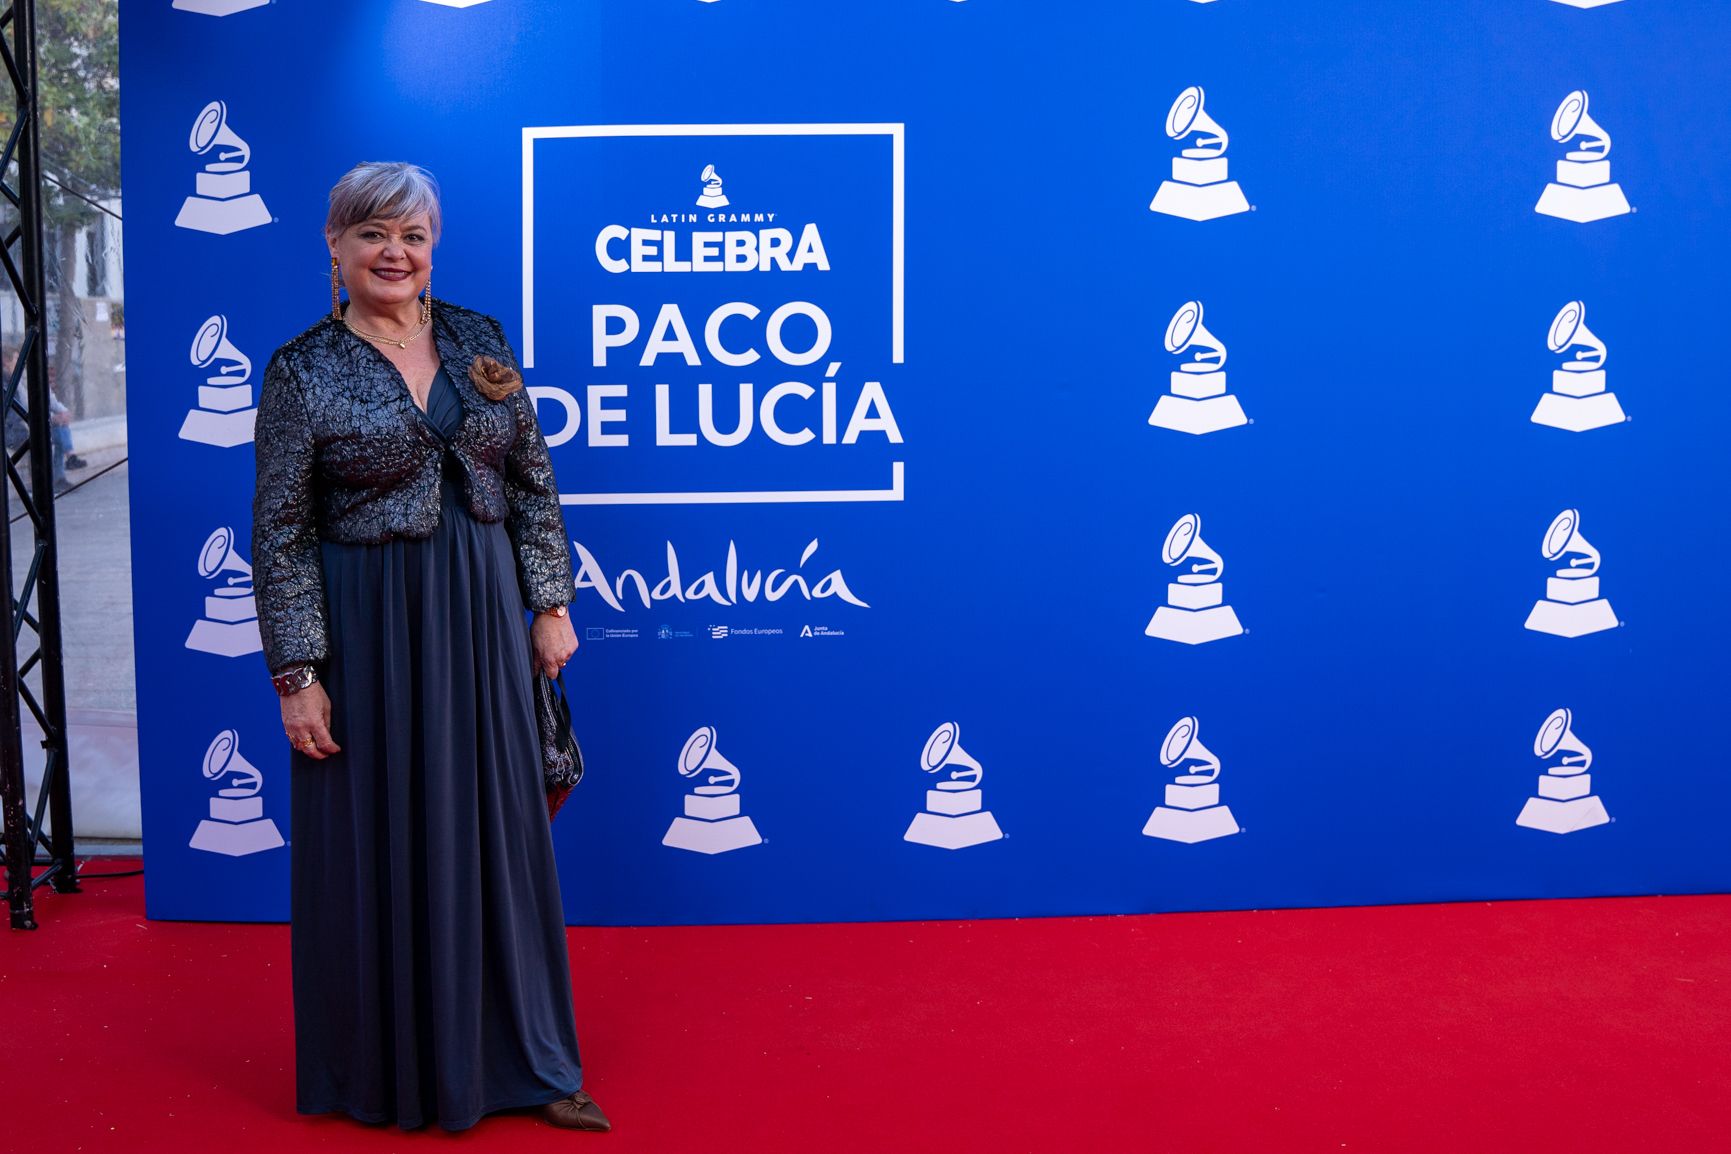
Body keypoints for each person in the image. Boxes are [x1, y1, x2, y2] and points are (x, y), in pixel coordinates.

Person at [251, 162, 609, 1134]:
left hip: (484, 611)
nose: (393, 252)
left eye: (410, 233)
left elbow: (532, 484)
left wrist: (549, 604)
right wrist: (299, 675)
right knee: (377, 836)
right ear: (334, 246)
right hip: (367, 623)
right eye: (371, 235)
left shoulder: (480, 339)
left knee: (501, 832)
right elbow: (280, 529)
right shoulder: (301, 368)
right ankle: (386, 1064)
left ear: (432, 242)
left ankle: (534, 1057)